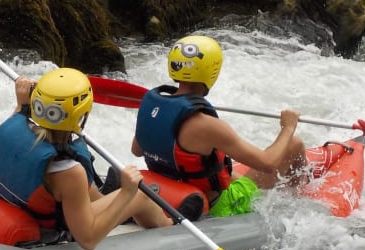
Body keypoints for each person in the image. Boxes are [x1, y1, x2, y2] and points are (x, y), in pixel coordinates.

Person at [0, 67, 172, 250]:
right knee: (141, 194)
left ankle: (114, 204)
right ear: (80, 115)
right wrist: (127, 192)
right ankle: (169, 226)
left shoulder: (12, 124)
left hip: (27, 206)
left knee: (83, 187)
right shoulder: (68, 170)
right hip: (52, 227)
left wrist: (20, 106)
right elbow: (87, 240)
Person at [131, 35, 306, 217]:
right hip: (218, 206)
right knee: (294, 143)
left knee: (229, 173)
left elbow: (137, 150)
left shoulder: (152, 106)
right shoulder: (207, 125)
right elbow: (268, 163)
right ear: (211, 71)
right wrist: (288, 126)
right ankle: (296, 201)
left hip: (171, 192)